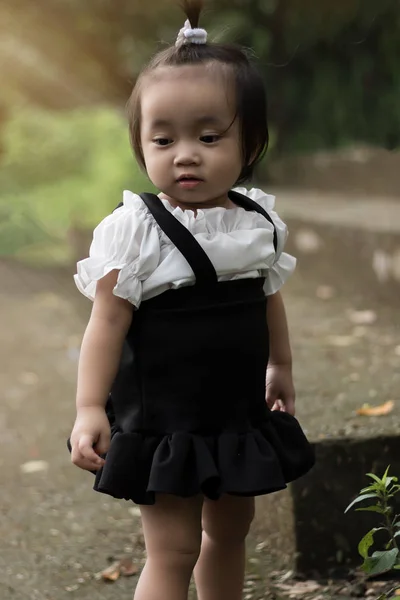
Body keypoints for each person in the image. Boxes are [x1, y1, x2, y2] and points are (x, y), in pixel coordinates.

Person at [69, 1, 315, 598]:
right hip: (165, 420)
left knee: (232, 530)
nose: (186, 153)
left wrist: (279, 366)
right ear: (141, 144)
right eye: (164, 138)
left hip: (234, 411)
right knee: (173, 547)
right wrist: (88, 408)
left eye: (209, 136)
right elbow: (106, 322)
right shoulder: (137, 231)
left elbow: (267, 296)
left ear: (250, 141)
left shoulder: (257, 223)